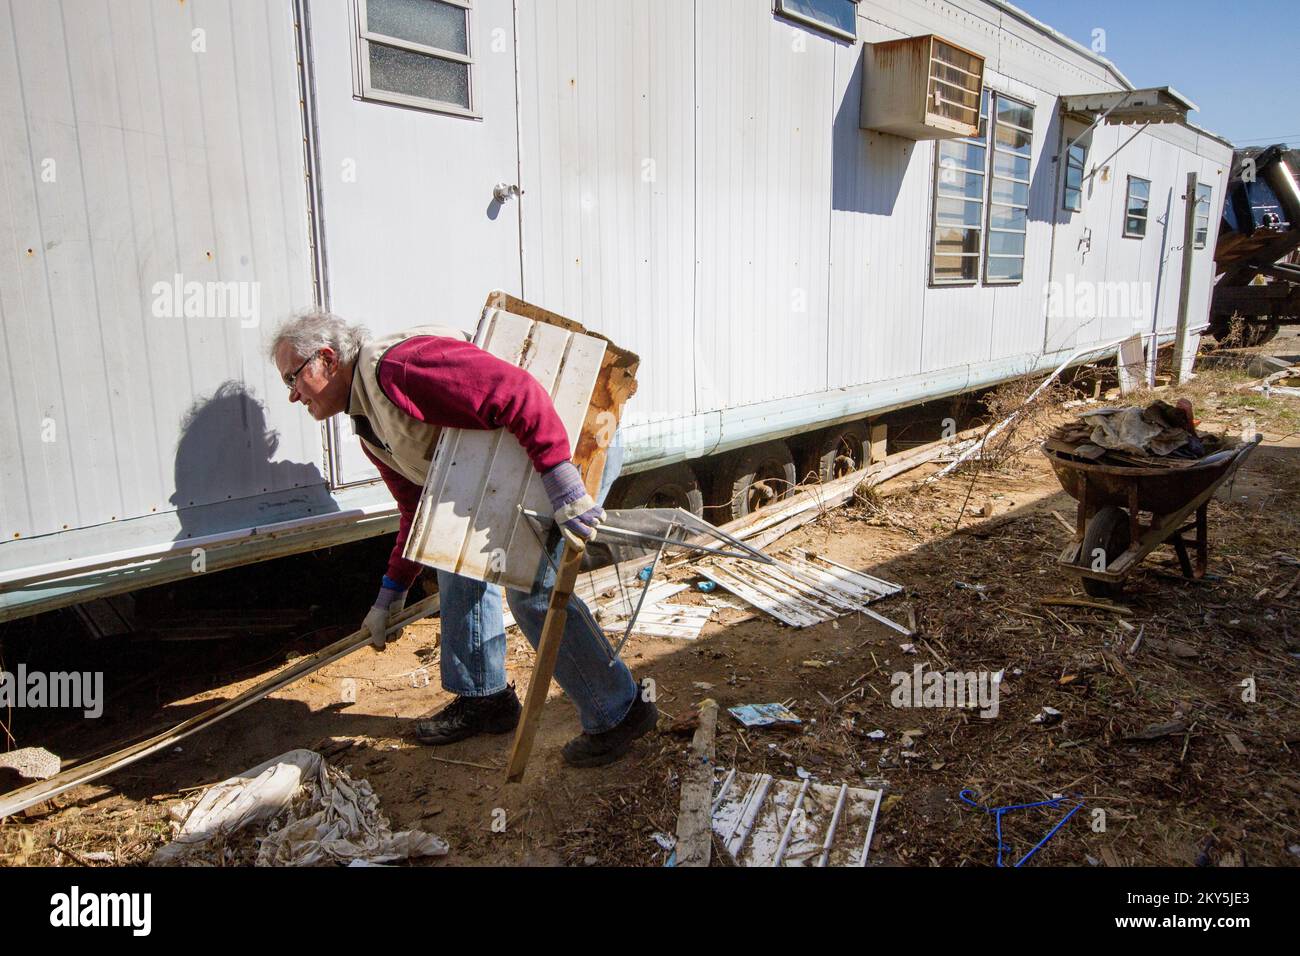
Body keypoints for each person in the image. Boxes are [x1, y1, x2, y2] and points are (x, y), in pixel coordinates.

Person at [268, 309, 657, 767]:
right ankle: (485, 698)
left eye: (293, 378)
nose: (293, 396)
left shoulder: (399, 367)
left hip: (571, 447)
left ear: (328, 360)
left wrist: (563, 481)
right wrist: (391, 592)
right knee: (454, 562)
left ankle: (620, 711)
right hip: (520, 468)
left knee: (532, 595)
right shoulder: (368, 423)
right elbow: (419, 509)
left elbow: (518, 394)